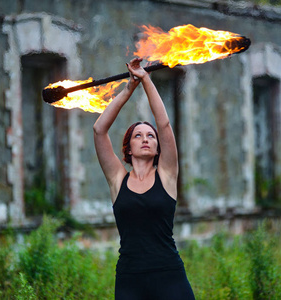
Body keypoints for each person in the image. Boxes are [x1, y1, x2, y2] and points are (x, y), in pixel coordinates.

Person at [93, 57, 195, 300]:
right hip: (130, 277)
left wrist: (146, 79)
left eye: (151, 136)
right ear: (128, 148)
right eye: (138, 136)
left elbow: (165, 124)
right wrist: (129, 88)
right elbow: (99, 130)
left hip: (169, 274)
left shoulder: (167, 175)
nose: (146, 138)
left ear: (159, 147)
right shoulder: (118, 179)